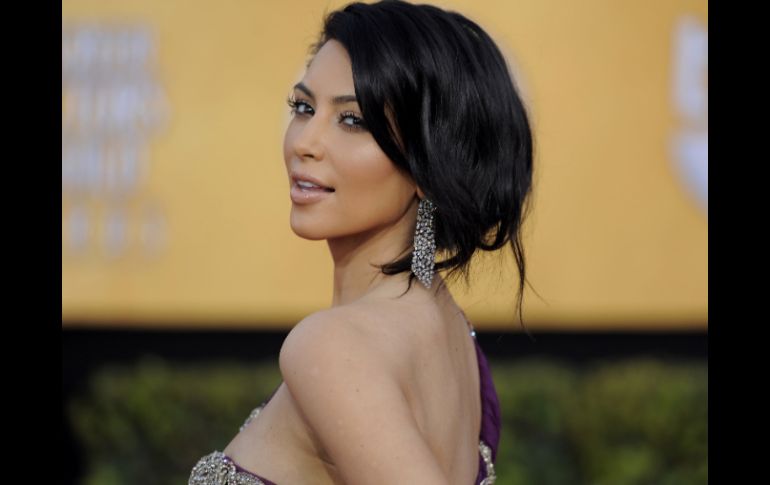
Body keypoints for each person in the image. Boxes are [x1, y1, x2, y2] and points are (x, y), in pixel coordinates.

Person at [190, 0, 533, 483]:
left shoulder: (332, 346)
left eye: (353, 121)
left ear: (429, 164)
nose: (304, 142)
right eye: (304, 108)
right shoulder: (449, 328)